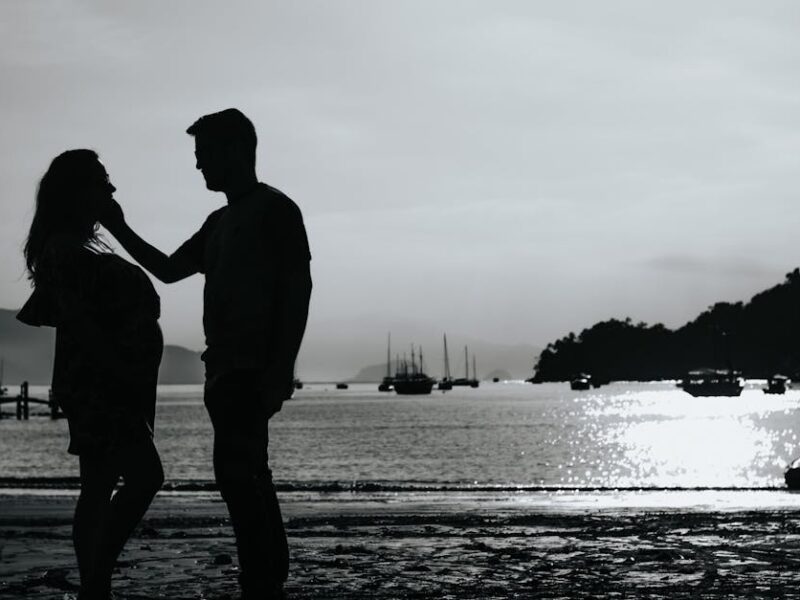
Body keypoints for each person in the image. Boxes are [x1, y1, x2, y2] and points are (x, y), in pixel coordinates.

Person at [100, 108, 312, 599]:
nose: (199, 167)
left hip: (251, 370)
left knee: (240, 475)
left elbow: (297, 290)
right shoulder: (218, 221)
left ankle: (262, 579)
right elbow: (171, 270)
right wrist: (119, 227)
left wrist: (280, 369)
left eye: (205, 155)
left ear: (234, 150)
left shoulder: (276, 210)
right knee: (246, 474)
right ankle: (266, 576)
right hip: (221, 371)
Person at [18, 149, 165, 600]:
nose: (112, 190)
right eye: (103, 182)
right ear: (79, 192)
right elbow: (81, 323)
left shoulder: (71, 248)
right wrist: (121, 372)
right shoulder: (63, 250)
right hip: (103, 385)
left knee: (98, 485)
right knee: (145, 478)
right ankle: (97, 576)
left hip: (106, 382)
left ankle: (95, 583)